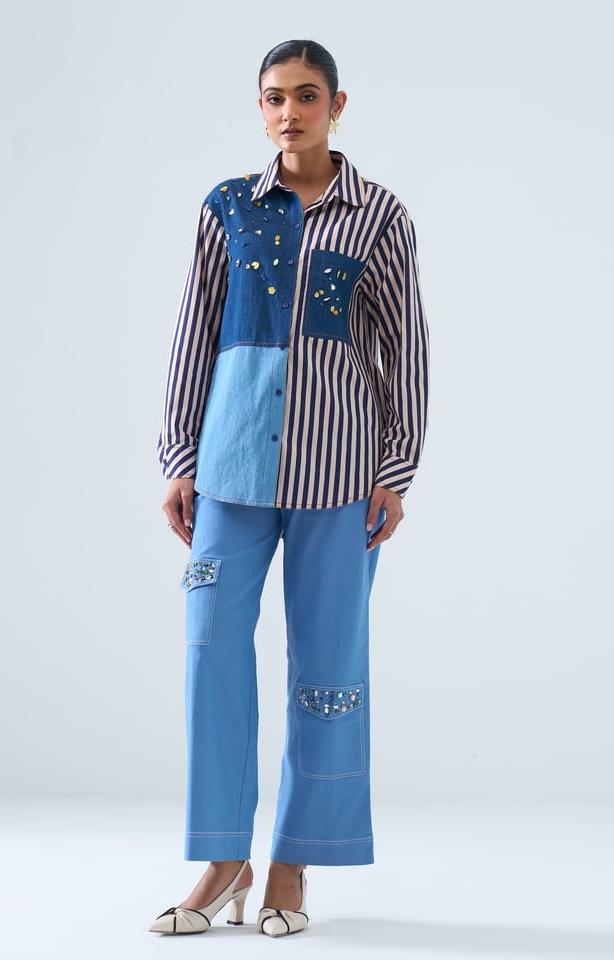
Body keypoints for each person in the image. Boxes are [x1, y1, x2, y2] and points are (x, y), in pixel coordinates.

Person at [149, 38, 429, 938]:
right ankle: (222, 858)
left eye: (307, 96)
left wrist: (395, 470)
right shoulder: (227, 206)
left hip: (340, 472)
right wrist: (178, 457)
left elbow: (405, 348)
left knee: (328, 667)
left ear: (337, 105)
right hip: (230, 465)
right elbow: (194, 330)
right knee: (210, 651)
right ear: (260, 107)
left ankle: (293, 863)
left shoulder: (380, 215)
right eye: (275, 97)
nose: (289, 112)